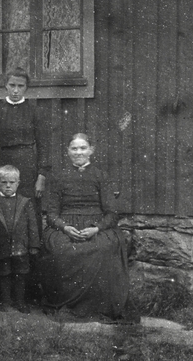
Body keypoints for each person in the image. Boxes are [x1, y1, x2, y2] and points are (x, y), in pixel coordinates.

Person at [35, 134, 135, 322]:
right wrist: (65, 228)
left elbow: (112, 213)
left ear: (91, 150)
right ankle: (66, 304)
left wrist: (96, 229)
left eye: (83, 148)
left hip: (95, 225)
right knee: (61, 249)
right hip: (67, 224)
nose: (78, 152)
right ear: (68, 151)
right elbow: (52, 214)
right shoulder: (59, 176)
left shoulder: (100, 175)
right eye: (74, 148)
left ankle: (98, 306)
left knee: (102, 248)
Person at [0, 165, 41, 312]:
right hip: (2, 247)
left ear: (18, 183)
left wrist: (34, 245)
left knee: (21, 274)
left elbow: (32, 225)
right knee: (4, 273)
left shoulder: (25, 202)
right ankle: (6, 301)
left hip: (21, 246)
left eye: (12, 182)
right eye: (4, 182)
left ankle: (20, 302)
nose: (8, 186)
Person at [0, 68, 50, 203]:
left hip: (28, 164)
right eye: (12, 85)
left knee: (28, 203)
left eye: (20, 86)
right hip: (4, 162)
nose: (15, 90)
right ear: (5, 85)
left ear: (26, 87)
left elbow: (43, 146)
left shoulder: (34, 111)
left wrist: (41, 175)